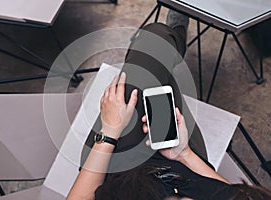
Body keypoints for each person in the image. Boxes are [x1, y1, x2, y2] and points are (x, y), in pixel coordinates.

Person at [67, 20, 271, 199]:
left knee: (155, 41)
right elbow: (231, 193)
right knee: (156, 61)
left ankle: (170, 46)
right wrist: (184, 154)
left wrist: (110, 132)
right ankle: (169, 53)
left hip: (115, 171)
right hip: (183, 162)